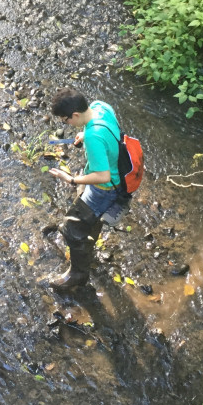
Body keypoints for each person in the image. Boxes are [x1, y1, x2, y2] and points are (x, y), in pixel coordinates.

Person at [43, 87, 127, 291]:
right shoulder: (100, 107)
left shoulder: (93, 137)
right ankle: (89, 240)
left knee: (71, 229)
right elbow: (108, 132)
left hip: (106, 187)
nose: (66, 125)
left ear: (75, 115)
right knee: (88, 217)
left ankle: (78, 275)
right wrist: (84, 132)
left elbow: (103, 176)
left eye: (66, 120)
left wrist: (71, 179)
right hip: (116, 170)